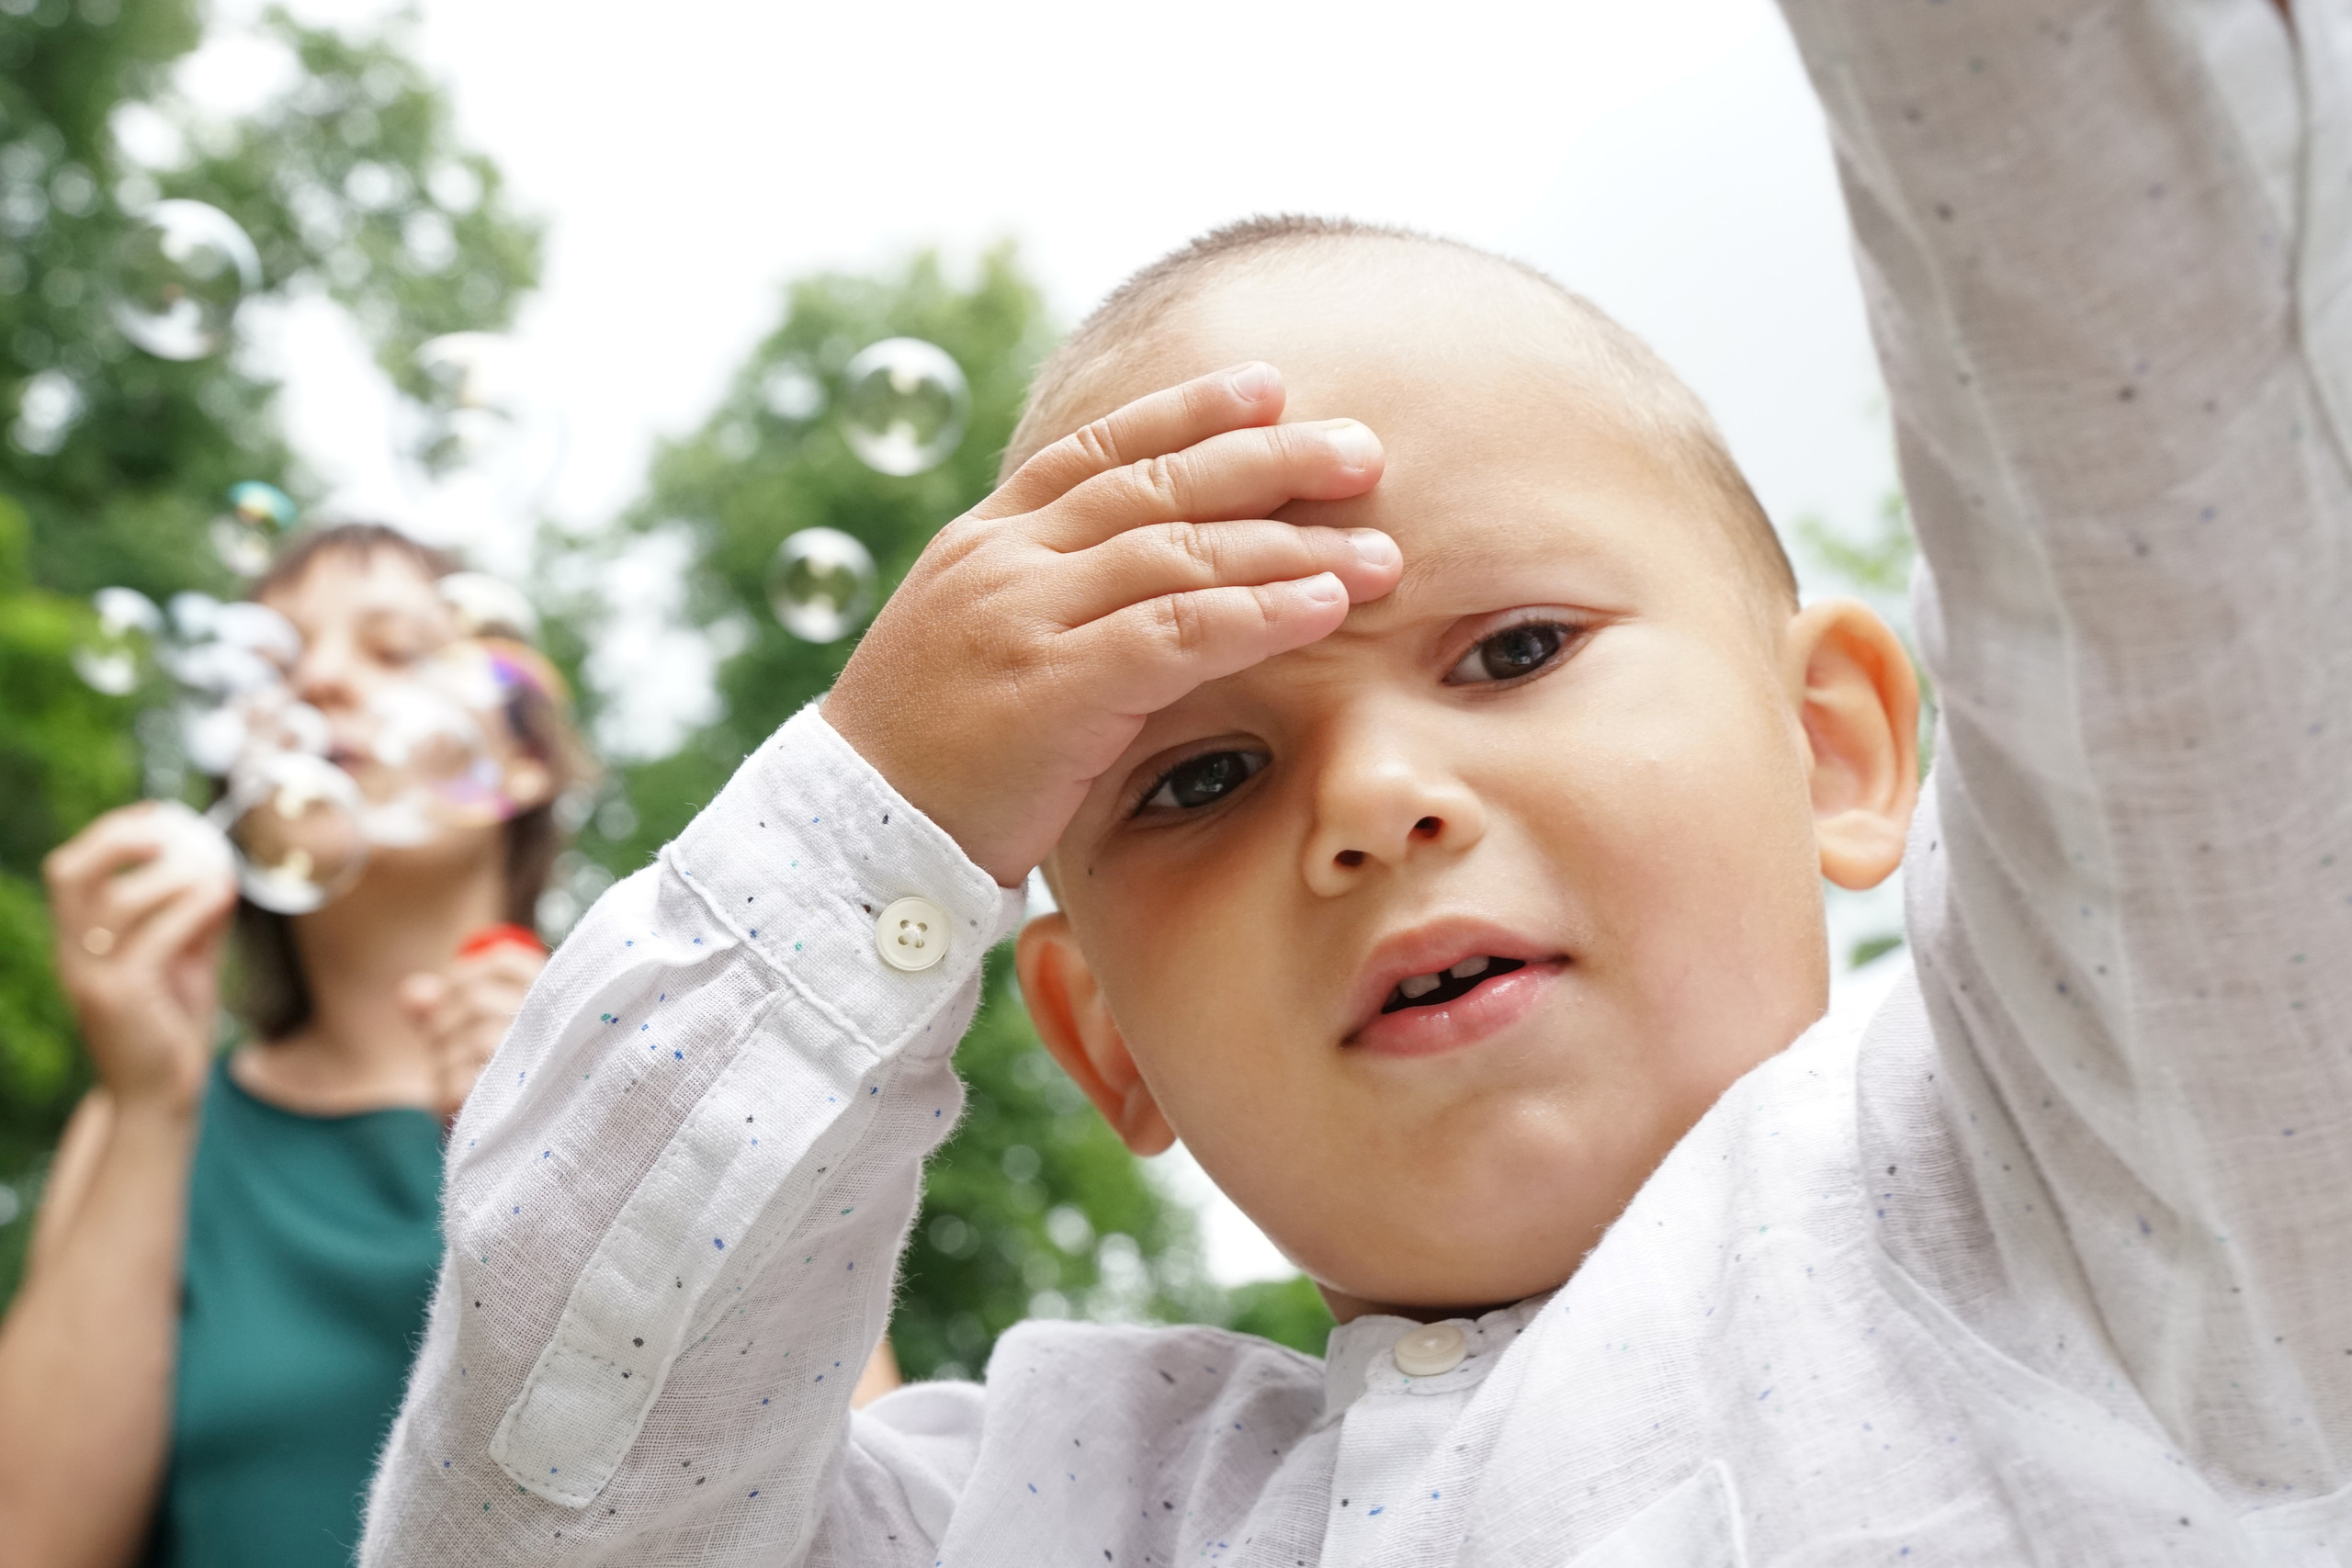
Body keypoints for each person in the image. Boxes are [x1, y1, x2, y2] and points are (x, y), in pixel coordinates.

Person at [364, 0, 2345, 1558]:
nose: (1372, 799)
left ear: (1831, 744)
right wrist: (878, 811)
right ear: (1097, 1032)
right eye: (1199, 772)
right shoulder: (1048, 1509)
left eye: (1511, 648)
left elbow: (2175, 494)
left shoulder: (2114, 1190)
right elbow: (548, 1521)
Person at [0, 524, 591, 1568]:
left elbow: (862, 1505)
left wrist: (572, 1143)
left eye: (395, 650)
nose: (316, 680)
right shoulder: (147, 1120)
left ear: (527, 756)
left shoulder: (668, 1086)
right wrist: (149, 1102)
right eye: (272, 664)